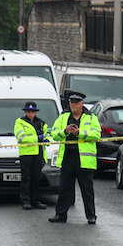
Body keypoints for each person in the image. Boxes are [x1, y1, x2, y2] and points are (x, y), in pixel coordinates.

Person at [49, 91, 101, 224]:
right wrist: (65, 131)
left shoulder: (91, 117)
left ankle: (91, 215)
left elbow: (96, 135)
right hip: (67, 157)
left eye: (76, 103)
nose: (73, 105)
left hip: (83, 159)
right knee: (64, 188)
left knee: (87, 190)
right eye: (71, 102)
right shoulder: (63, 117)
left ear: (82, 104)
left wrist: (80, 133)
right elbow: (54, 134)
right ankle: (61, 214)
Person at [13, 102, 49, 210]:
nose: (30, 114)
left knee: (36, 179)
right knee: (26, 178)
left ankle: (35, 200)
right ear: (25, 112)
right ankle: (25, 200)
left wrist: (47, 139)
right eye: (28, 112)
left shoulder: (41, 123)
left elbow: (47, 135)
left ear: (35, 112)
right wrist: (38, 138)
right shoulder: (20, 122)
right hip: (26, 154)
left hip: (38, 154)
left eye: (33, 112)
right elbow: (21, 137)